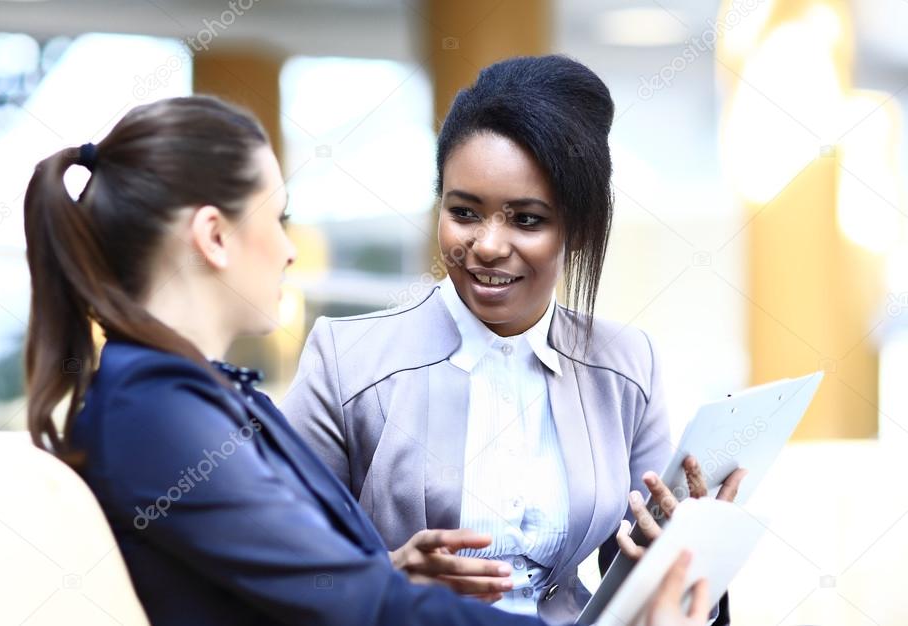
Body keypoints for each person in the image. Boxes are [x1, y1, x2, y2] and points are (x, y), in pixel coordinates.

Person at [22, 95, 711, 625]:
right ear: (214, 236)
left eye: (527, 219)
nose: (290, 249)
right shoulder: (154, 409)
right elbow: (355, 601)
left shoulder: (193, 395)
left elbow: (344, 584)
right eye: (279, 217)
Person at [281, 55, 745, 625]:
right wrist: (388, 579)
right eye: (464, 212)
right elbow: (281, 573)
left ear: (578, 229)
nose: (488, 245)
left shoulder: (627, 364)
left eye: (526, 220)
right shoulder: (345, 360)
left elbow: (634, 579)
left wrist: (687, 548)